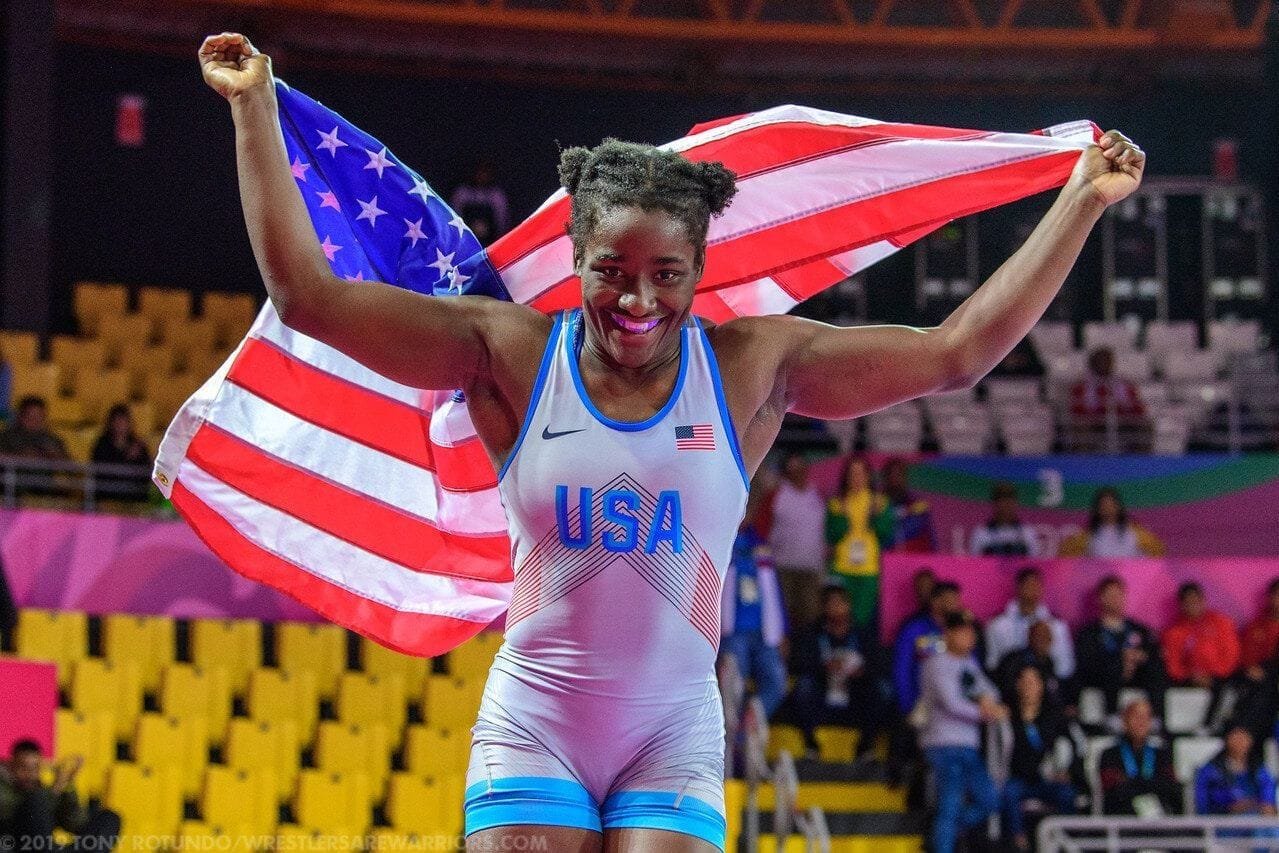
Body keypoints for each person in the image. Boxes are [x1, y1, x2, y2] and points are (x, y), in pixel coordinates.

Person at [199, 30, 1145, 852]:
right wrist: (253, 112)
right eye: (610, 270)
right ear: (575, 261)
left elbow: (953, 353)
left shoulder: (750, 366)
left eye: (666, 274)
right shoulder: (508, 352)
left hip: (673, 731)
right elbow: (309, 300)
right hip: (535, 722)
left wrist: (1081, 202)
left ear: (700, 271)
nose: (637, 300)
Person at [919, 611, 1006, 853]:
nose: (970, 638)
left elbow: (992, 693)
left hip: (969, 747)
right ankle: (942, 843)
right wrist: (986, 711)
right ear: (948, 634)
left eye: (972, 633)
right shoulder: (935, 664)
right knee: (950, 803)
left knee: (990, 800)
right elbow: (952, 703)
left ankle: (941, 833)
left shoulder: (970, 665)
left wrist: (987, 702)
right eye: (964, 633)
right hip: (943, 745)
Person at [785, 585, 886, 763]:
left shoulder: (862, 635)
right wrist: (824, 667)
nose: (836, 608)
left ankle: (865, 748)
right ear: (823, 608)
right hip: (823, 693)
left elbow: (877, 665)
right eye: (831, 604)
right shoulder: (812, 634)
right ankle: (811, 747)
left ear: (848, 606)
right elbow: (798, 663)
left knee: (882, 690)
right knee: (803, 687)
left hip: (854, 694)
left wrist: (860, 672)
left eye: (840, 603)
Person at [720, 481, 787, 718]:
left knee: (777, 682)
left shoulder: (760, 543)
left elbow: (773, 592)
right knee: (731, 686)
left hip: (764, 633)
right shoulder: (721, 540)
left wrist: (782, 632)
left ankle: (753, 717)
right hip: (733, 632)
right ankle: (732, 733)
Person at [999, 665, 1079, 851]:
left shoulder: (1054, 716)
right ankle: (1019, 843)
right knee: (1010, 792)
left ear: (1042, 685)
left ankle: (1066, 841)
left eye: (1034, 682)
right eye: (1025, 682)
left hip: (1048, 779)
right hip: (1020, 777)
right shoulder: (1008, 716)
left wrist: (1067, 772)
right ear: (1018, 685)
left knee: (1067, 794)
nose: (1029, 687)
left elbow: (1073, 746)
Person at [0, 739, 120, 850]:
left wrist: (68, 786)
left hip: (45, 847)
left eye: (35, 768)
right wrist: (55, 790)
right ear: (11, 765)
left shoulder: (43, 791)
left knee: (109, 818)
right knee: (36, 802)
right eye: (23, 768)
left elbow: (76, 824)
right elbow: (10, 810)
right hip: (12, 845)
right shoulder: (5, 788)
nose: (30, 774)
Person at [1075, 575, 1167, 718]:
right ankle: (1112, 716)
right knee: (1114, 664)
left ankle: (1156, 717)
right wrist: (1120, 659)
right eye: (1110, 595)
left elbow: (1153, 652)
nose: (1115, 599)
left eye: (1118, 595)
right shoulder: (1089, 633)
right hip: (1104, 677)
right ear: (1100, 598)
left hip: (1136, 675)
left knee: (1155, 667)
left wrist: (1137, 657)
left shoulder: (1139, 629)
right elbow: (1087, 661)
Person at [825, 455, 892, 629]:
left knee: (863, 621)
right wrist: (842, 515)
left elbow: (886, 535)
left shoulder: (880, 502)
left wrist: (876, 516)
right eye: (853, 474)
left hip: (869, 570)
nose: (857, 478)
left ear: (868, 476)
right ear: (846, 477)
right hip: (842, 568)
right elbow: (832, 535)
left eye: (861, 473)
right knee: (838, 619)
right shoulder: (836, 503)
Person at [765, 451, 827, 630]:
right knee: (782, 616)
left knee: (810, 617)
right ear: (786, 472)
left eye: (801, 468)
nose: (798, 472)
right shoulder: (777, 495)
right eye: (793, 469)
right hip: (783, 566)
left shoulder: (816, 495)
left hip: (811, 567)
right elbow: (762, 525)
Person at [985, 567, 1075, 683]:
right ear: (1018, 587)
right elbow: (992, 664)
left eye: (1037, 585)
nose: (1033, 589)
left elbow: (1065, 666)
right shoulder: (997, 625)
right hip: (1008, 685)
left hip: (1048, 685)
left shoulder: (1056, 625)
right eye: (1028, 585)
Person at [1097, 698, 1182, 816]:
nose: (1141, 722)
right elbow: (1116, 791)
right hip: (1122, 819)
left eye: (1146, 717)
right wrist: (1150, 784)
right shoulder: (1109, 755)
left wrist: (1133, 782)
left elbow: (1169, 787)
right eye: (1136, 716)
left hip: (1158, 819)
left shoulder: (1162, 754)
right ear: (1125, 721)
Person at [893, 580, 962, 721]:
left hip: (955, 706)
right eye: (950, 599)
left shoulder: (961, 632)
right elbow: (902, 669)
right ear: (935, 602)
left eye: (956, 599)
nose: (955, 604)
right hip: (920, 704)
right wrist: (908, 705)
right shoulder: (914, 629)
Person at [1161, 582, 1240, 694]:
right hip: (1189, 679)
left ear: (1203, 600)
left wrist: (1211, 675)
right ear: (1181, 605)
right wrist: (1192, 676)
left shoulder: (1221, 622)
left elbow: (1231, 656)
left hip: (1220, 677)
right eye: (1188, 602)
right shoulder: (1174, 632)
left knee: (1224, 687)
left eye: (1196, 601)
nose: (1193, 605)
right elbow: (1173, 666)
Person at [1068, 346, 1148, 452]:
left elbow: (1138, 409)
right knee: (1081, 427)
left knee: (1144, 426)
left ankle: (1141, 463)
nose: (1104, 364)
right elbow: (1076, 411)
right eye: (1100, 361)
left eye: (1107, 361)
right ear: (1092, 363)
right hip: (1093, 422)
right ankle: (1083, 462)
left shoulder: (1123, 384)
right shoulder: (1082, 386)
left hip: (1121, 421)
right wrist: (1099, 414)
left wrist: (1121, 411)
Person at [1193, 722, 1277, 819]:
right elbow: (1203, 802)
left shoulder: (1258, 769)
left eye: (1244, 737)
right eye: (1236, 737)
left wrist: (1266, 805)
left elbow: (1268, 792)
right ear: (1227, 739)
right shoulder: (1211, 770)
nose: (1240, 742)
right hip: (1222, 821)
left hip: (1256, 819)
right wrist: (1228, 806)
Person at [1058, 487, 1164, 558]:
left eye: (1110, 505)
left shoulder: (1135, 533)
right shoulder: (1087, 536)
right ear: (1097, 509)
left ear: (1118, 507)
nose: (1107, 508)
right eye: (1103, 505)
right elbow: (1065, 556)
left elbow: (1159, 551)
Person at [993, 620, 1076, 710]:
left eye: (1046, 637)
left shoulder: (1048, 662)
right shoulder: (1014, 660)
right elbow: (1007, 691)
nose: (1043, 640)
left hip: (1046, 714)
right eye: (1039, 636)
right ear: (1029, 637)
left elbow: (1052, 691)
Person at [91, 404, 153, 500]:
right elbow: (100, 471)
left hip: (134, 497)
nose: (120, 425)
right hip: (107, 496)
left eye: (123, 421)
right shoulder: (102, 445)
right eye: (117, 421)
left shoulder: (139, 446)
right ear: (110, 423)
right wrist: (126, 458)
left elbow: (146, 473)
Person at [881, 458, 937, 553]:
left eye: (899, 475)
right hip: (884, 557)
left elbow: (929, 538)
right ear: (885, 478)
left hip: (914, 557)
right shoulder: (877, 505)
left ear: (905, 477)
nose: (895, 479)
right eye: (891, 475)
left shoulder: (918, 505)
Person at [449, 159, 511, 244]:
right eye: (480, 173)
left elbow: (502, 222)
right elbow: (454, 217)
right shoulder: (462, 192)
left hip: (490, 241)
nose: (482, 176)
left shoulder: (497, 195)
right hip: (465, 238)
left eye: (485, 173)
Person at [970, 481, 1037, 557]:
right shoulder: (981, 533)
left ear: (1015, 503)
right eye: (1002, 500)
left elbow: (1033, 564)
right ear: (994, 503)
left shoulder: (1027, 533)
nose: (1006, 505)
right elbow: (975, 564)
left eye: (1009, 500)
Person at [0, 397, 68, 461]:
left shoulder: (52, 439)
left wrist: (57, 456)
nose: (35, 421)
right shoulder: (6, 437)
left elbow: (72, 468)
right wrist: (20, 456)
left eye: (39, 416)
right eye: (31, 416)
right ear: (20, 416)